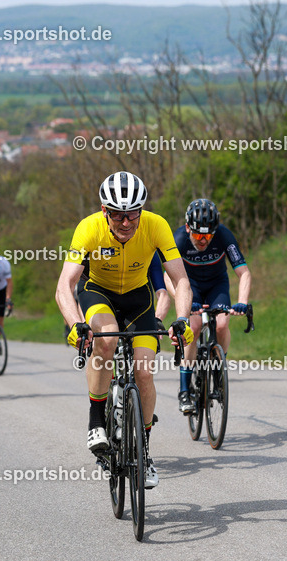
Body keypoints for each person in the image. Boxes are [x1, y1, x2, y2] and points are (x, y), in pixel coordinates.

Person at [55, 171, 193, 489]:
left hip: (137, 300)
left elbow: (180, 279)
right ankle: (95, 419)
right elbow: (65, 284)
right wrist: (75, 323)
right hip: (97, 293)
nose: (126, 222)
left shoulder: (156, 226)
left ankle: (143, 450)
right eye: (118, 214)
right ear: (105, 211)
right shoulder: (88, 228)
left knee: (144, 371)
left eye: (133, 214)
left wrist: (183, 317)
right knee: (108, 341)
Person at [165, 198, 253, 414]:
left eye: (207, 235)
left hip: (216, 284)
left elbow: (244, 272)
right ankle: (185, 389)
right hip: (189, 285)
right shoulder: (178, 239)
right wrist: (181, 298)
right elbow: (168, 276)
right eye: (197, 234)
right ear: (188, 228)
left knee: (222, 324)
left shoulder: (223, 235)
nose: (203, 240)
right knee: (193, 328)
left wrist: (242, 301)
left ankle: (218, 366)